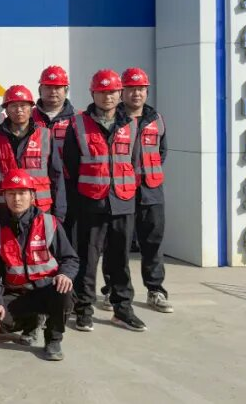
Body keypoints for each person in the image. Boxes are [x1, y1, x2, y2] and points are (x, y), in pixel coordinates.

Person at [62, 69, 146, 333]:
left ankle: (123, 309)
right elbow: (70, 165)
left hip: (122, 201)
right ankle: (84, 310)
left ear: (120, 93)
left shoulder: (131, 125)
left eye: (112, 92)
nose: (107, 97)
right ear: (92, 94)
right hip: (91, 202)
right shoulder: (78, 124)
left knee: (120, 260)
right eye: (102, 92)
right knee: (87, 260)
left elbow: (135, 163)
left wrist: (127, 192)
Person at [0, 169, 78, 362]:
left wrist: (65, 274)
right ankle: (32, 322)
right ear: (4, 196)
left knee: (64, 290)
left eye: (22, 193)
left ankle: (53, 339)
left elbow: (70, 258)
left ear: (32, 196)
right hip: (17, 293)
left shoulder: (48, 223)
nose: (16, 199)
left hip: (47, 290)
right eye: (11, 193)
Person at [100, 68, 171, 314]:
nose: (136, 94)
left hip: (150, 190)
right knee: (117, 244)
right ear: (122, 92)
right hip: (121, 191)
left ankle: (155, 289)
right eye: (131, 89)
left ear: (146, 91)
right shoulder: (113, 119)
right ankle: (112, 289)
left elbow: (161, 152)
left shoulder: (156, 119)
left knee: (152, 242)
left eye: (141, 89)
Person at [0, 85, 66, 223]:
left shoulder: (45, 136)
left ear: (31, 108)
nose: (19, 110)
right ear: (6, 109)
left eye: (23, 105)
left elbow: (57, 176)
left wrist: (60, 211)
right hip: (4, 210)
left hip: (40, 209)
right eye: (14, 106)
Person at [31, 65, 77, 238]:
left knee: (69, 236)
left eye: (58, 87)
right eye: (48, 87)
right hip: (38, 187)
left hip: (71, 186)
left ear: (66, 90)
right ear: (40, 89)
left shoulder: (78, 119)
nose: (53, 91)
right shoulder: (28, 117)